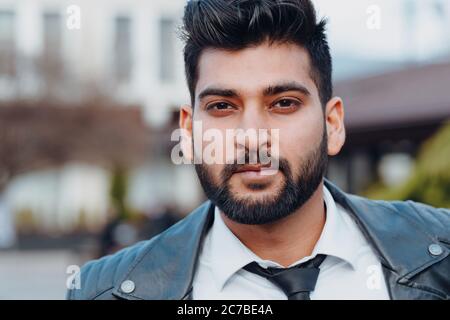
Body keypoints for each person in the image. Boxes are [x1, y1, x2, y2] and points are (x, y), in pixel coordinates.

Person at [68, 0, 449, 300]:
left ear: (332, 125)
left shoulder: (439, 255)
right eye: (222, 106)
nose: (251, 137)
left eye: (283, 103)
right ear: (188, 131)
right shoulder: (104, 291)